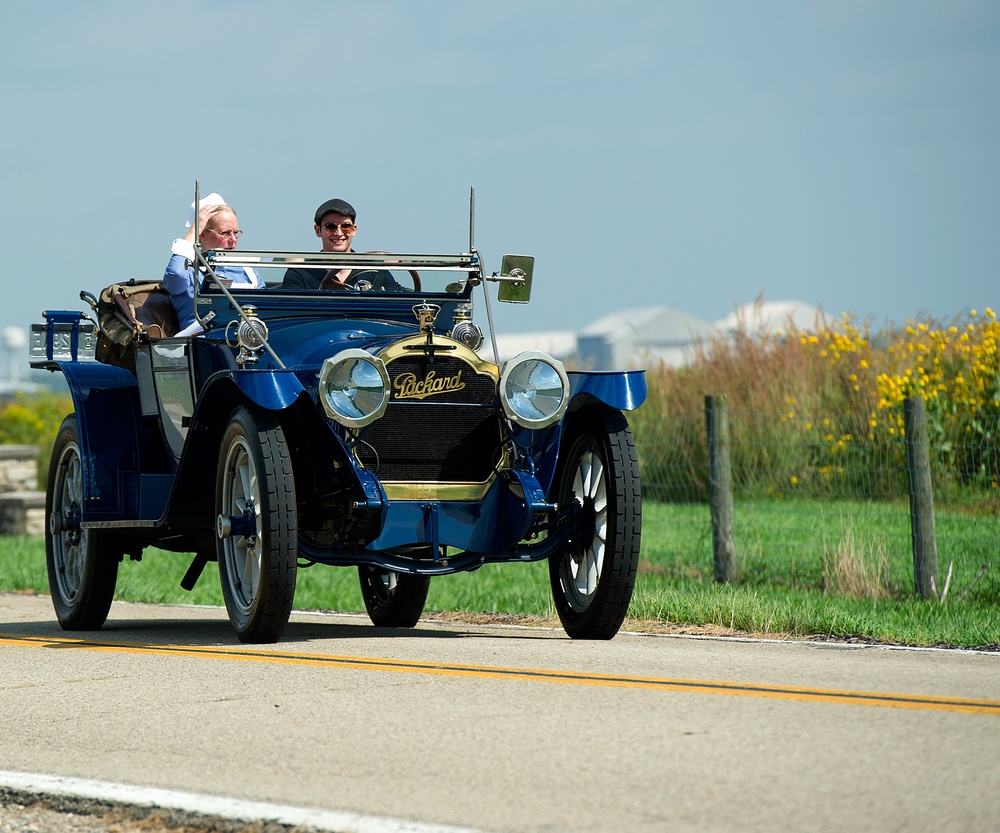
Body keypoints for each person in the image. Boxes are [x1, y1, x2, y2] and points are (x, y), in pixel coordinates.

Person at [163, 194, 263, 334]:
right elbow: (176, 274)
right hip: (202, 347)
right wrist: (194, 229)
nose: (233, 240)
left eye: (236, 232)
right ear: (202, 235)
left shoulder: (249, 274)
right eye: (225, 233)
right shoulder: (190, 271)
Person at [280, 198, 403, 291]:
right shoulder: (300, 274)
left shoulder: (375, 272)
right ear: (318, 231)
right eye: (330, 227)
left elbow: (397, 308)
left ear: (354, 230)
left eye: (345, 227)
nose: (339, 233)